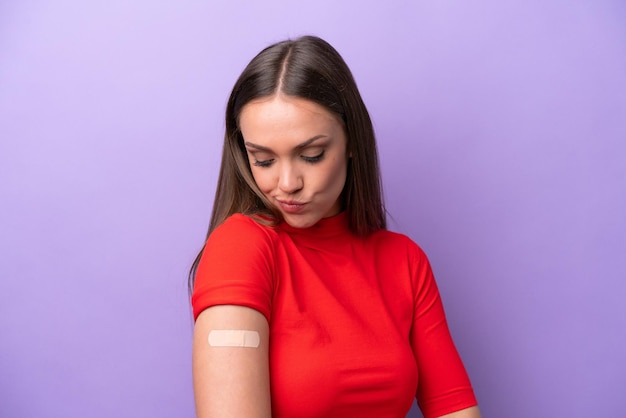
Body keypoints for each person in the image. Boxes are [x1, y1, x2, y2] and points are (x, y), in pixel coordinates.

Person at [189, 35, 481, 418]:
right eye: (263, 161)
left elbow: (456, 409)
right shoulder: (240, 247)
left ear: (351, 141)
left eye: (312, 155)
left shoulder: (404, 260)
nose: (288, 183)